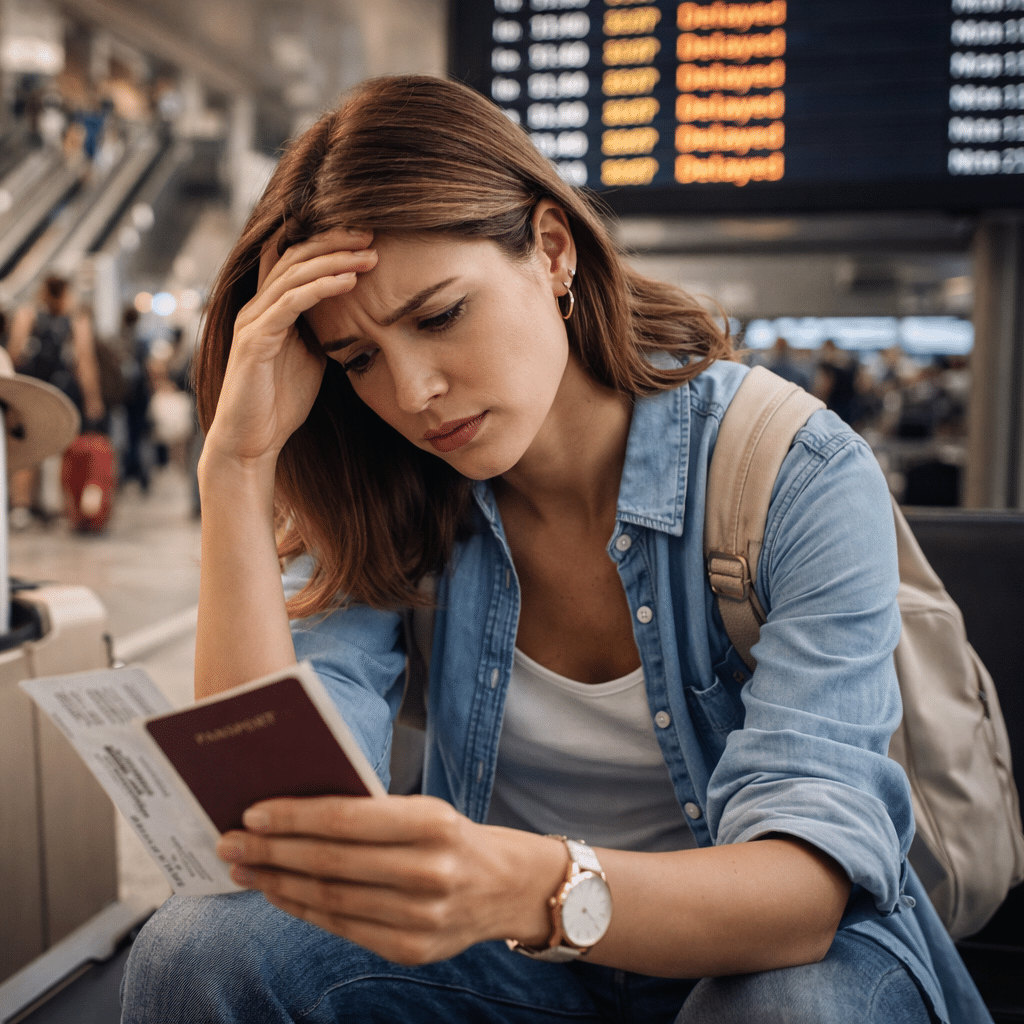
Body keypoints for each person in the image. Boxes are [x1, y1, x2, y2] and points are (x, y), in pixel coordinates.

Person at [120, 75, 990, 1024]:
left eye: (439, 315)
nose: (412, 392)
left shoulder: (794, 473)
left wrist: (530, 883)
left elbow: (800, 899)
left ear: (550, 249)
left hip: (771, 957)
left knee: (790, 1007)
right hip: (517, 966)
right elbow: (269, 821)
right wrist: (239, 467)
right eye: (358, 359)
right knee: (196, 949)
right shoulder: (397, 496)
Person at [7, 275, 104, 527]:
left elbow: (15, 352)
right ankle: (62, 507)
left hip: (30, 391)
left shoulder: (27, 314)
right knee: (65, 448)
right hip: (63, 393)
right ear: (65, 293)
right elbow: (85, 360)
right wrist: (93, 398)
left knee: (27, 447)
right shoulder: (76, 320)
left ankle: (22, 508)